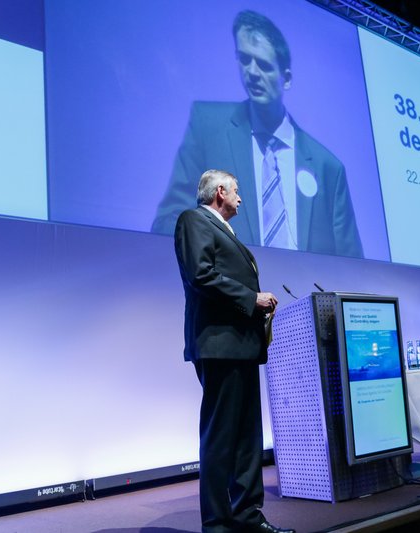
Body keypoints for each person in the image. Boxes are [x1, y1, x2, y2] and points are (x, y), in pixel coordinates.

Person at [155, 9, 363, 259]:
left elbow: (352, 262)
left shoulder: (328, 167)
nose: (252, 72)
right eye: (245, 60)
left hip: (306, 283)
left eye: (263, 65)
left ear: (286, 79)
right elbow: (169, 221)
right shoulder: (208, 127)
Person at [174, 169, 295, 533]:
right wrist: (251, 298)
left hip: (241, 345)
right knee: (221, 437)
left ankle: (247, 517)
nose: (241, 198)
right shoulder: (193, 220)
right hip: (220, 344)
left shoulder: (224, 230)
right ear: (220, 192)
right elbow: (200, 274)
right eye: (237, 191)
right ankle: (217, 524)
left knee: (247, 438)